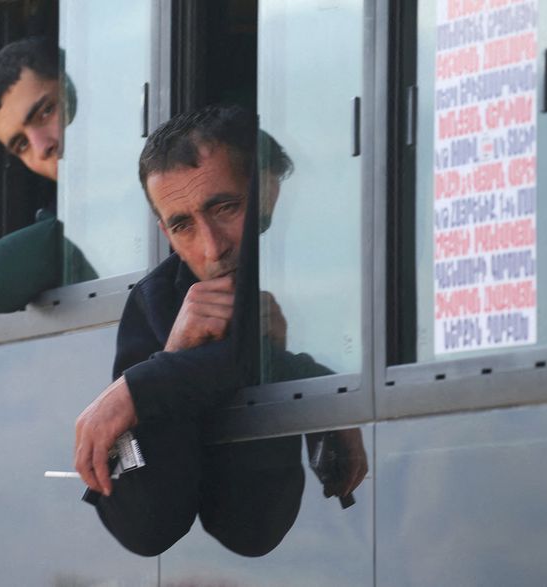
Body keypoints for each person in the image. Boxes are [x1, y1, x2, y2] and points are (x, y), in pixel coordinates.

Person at [74, 105, 367, 557]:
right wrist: (171, 360)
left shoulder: (347, 257)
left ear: (268, 190)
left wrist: (143, 387)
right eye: (183, 225)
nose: (211, 247)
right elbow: (152, 529)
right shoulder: (162, 302)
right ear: (165, 233)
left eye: (226, 207)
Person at [0, 37, 96, 313]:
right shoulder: (65, 230)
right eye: (22, 145)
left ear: (83, 89)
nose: (43, 147)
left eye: (46, 111)